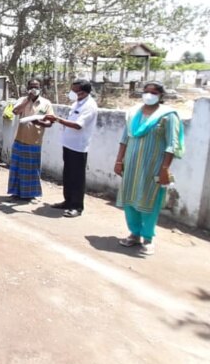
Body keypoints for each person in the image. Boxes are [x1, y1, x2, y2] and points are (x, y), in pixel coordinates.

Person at [113, 81, 184, 256]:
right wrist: (119, 161)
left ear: (161, 95)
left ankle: (148, 239)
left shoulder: (167, 116)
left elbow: (171, 145)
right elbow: (125, 139)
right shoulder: (134, 113)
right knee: (130, 199)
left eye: (153, 92)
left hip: (153, 167)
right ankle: (134, 233)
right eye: (146, 91)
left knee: (149, 201)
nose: (149, 95)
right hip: (131, 165)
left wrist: (165, 168)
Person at [46, 79, 98, 218]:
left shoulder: (89, 106)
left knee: (77, 177)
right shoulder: (77, 103)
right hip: (69, 144)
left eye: (75, 91)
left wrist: (58, 119)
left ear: (84, 92)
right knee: (68, 174)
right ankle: (68, 201)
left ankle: (77, 206)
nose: (72, 93)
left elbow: (78, 125)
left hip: (79, 147)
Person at [7, 79, 54, 201]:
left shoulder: (46, 103)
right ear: (28, 88)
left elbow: (50, 123)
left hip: (34, 141)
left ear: (40, 88)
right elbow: (15, 111)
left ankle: (31, 195)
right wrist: (27, 99)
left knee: (31, 169)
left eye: (36, 86)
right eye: (32, 86)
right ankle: (16, 193)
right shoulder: (22, 100)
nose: (34, 89)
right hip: (19, 139)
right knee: (17, 168)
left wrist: (39, 122)